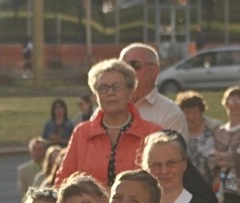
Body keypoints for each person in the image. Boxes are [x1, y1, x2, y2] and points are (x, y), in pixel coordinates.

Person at [55, 59, 161, 187]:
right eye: (103, 88)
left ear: (131, 91)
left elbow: (161, 184)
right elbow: (63, 181)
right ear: (95, 96)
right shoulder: (81, 133)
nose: (110, 92)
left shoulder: (153, 133)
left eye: (117, 87)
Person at [119, 43, 189, 140]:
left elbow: (171, 154)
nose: (126, 72)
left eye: (134, 65)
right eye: (122, 67)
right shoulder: (106, 109)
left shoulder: (171, 114)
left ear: (154, 71)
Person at [176, 91, 221, 188]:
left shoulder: (214, 131)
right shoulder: (176, 135)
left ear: (201, 112)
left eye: (195, 112)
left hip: (211, 186)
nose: (191, 117)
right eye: (187, 113)